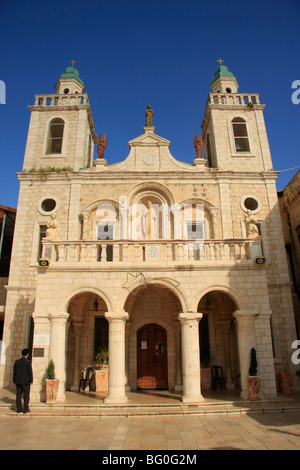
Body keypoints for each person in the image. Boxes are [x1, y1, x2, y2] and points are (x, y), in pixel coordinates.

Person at [13, 348, 33, 414]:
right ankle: (25, 409)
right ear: (27, 354)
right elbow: (30, 372)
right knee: (26, 395)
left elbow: (14, 372)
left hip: (18, 381)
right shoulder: (28, 362)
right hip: (25, 382)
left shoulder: (17, 362)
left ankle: (19, 409)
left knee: (18, 395)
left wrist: (14, 380)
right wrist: (31, 380)